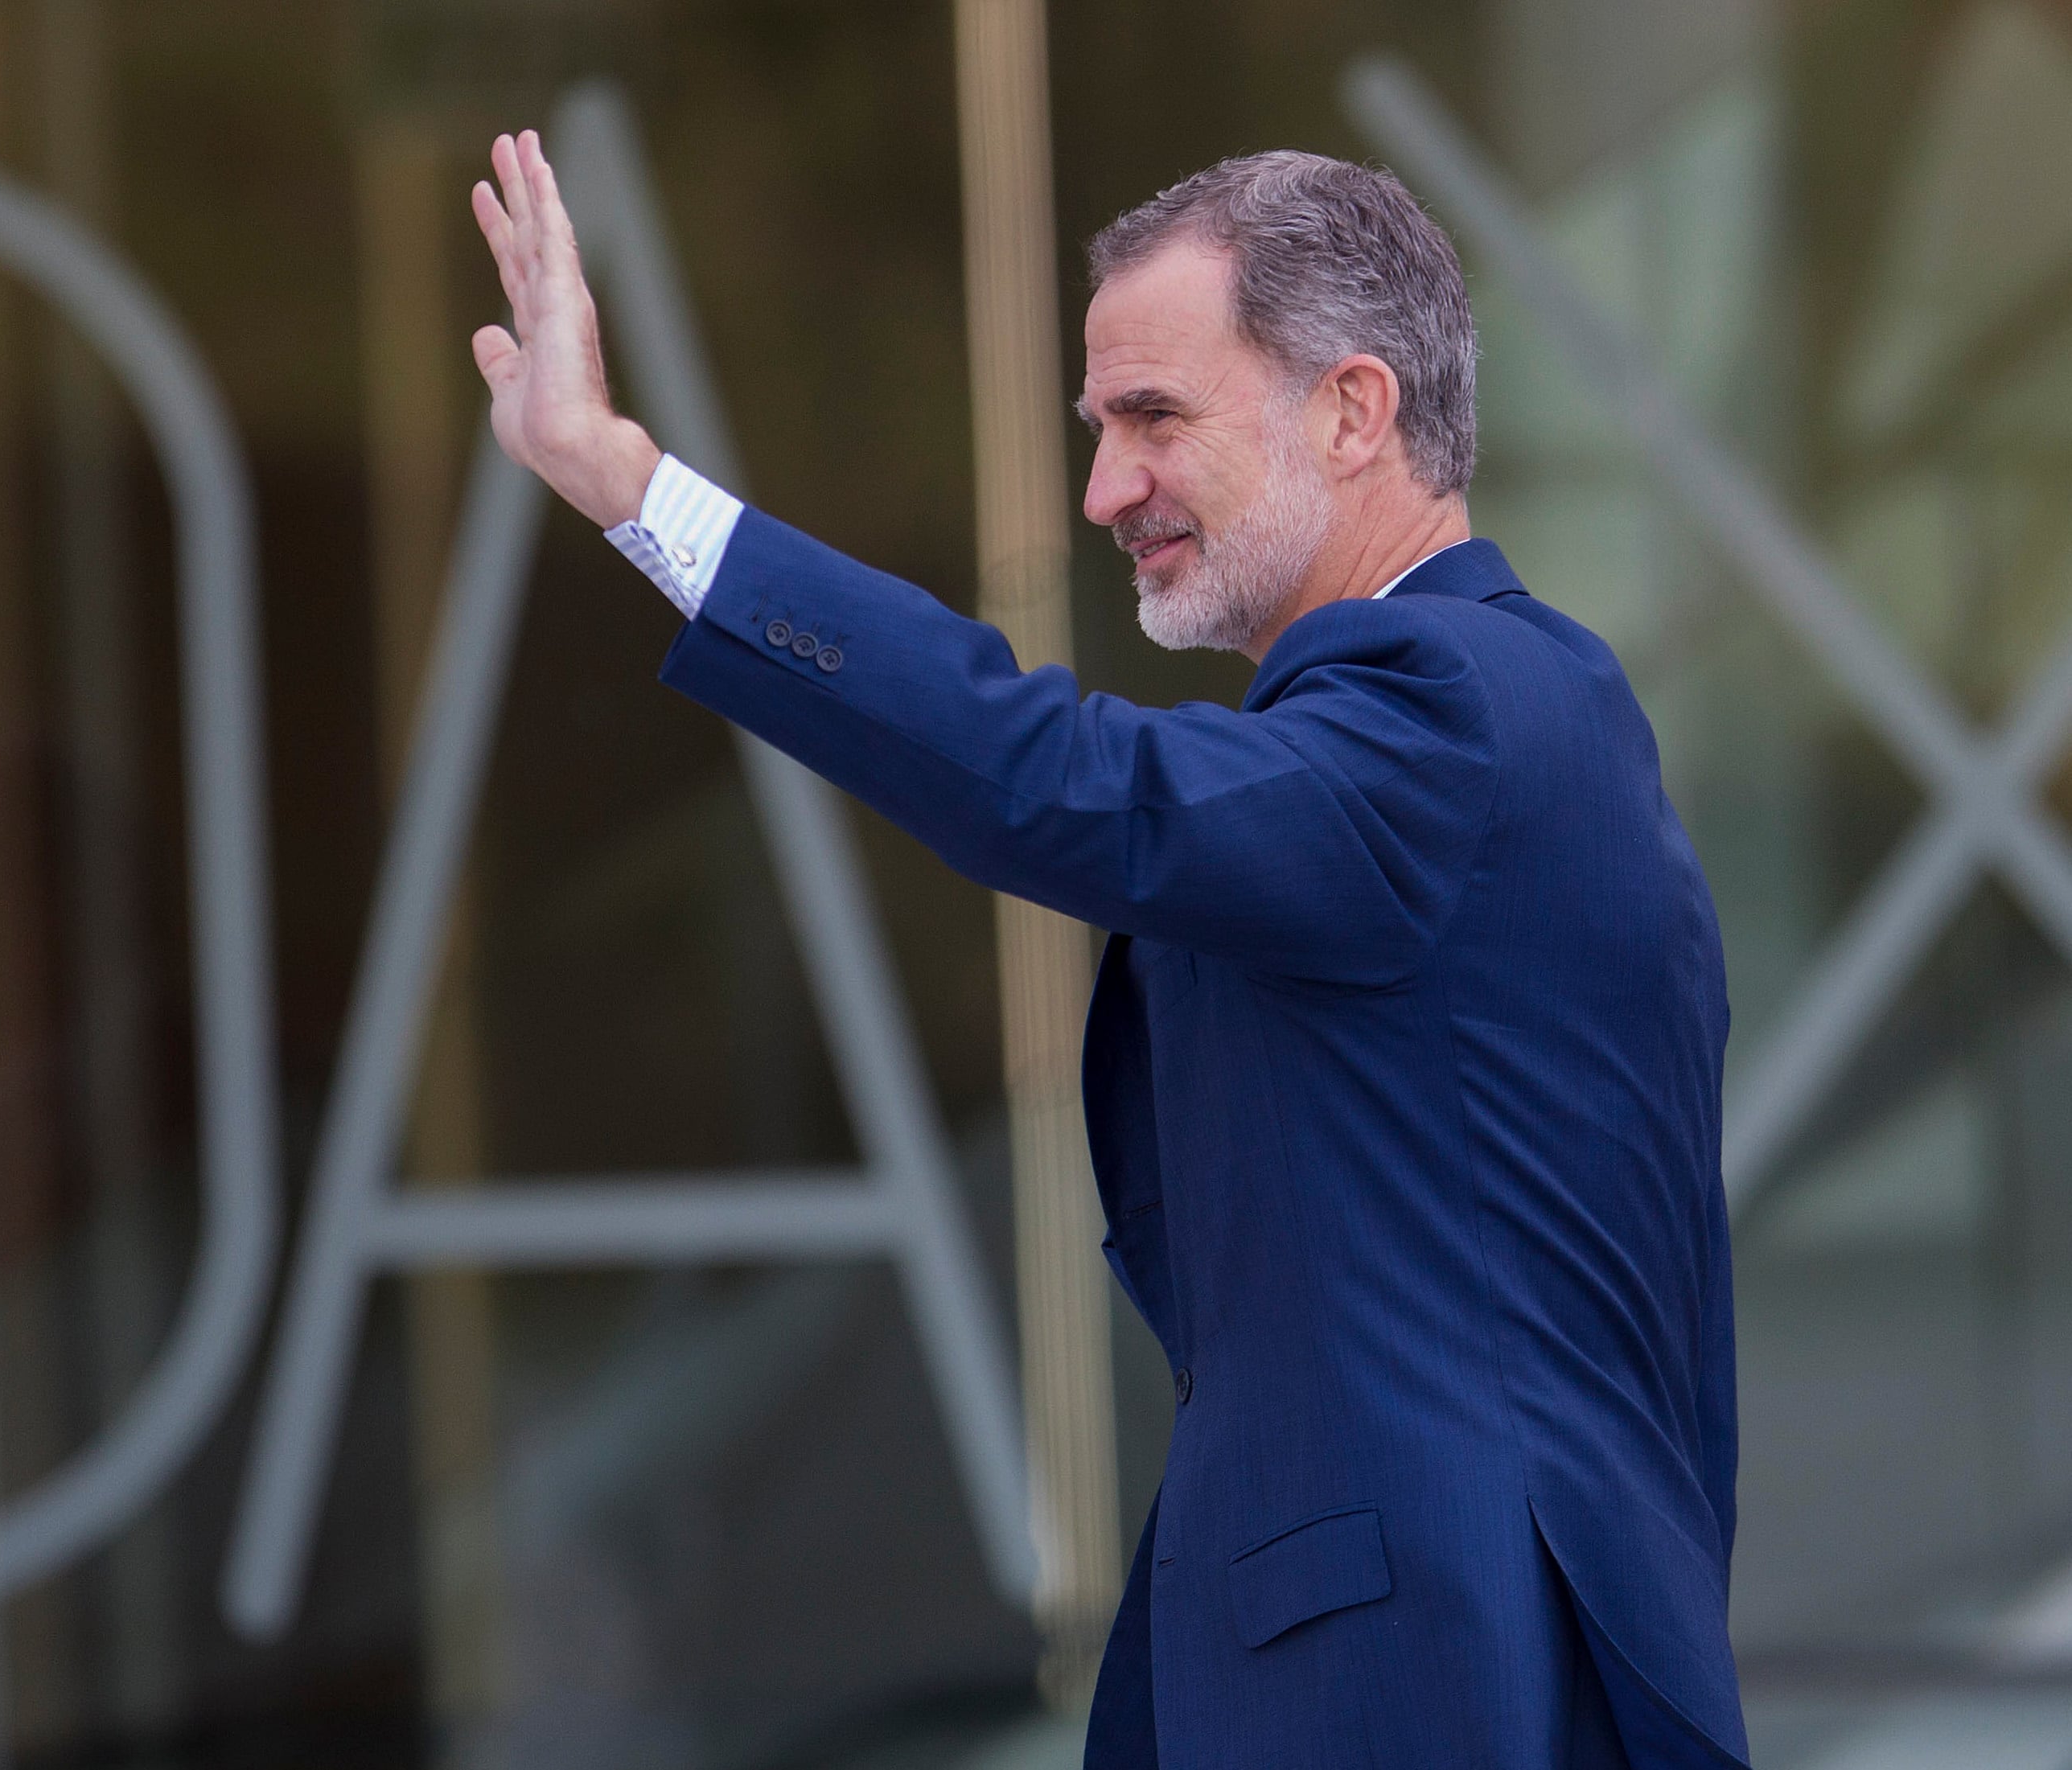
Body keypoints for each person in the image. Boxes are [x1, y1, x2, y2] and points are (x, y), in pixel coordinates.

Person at [465, 128, 1747, 1770]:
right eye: (1097, 428)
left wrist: (629, 486)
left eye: (1154, 418)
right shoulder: (1475, 736)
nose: (1101, 491)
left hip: (1430, 1680)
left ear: (1355, 411)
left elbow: (1060, 783)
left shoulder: (1460, 715)